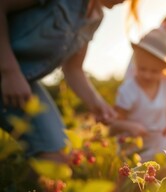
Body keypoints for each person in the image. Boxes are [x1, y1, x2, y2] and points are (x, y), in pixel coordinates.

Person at [0, 0, 140, 163]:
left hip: (23, 83)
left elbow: (73, 69)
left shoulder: (95, 18)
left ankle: (22, 187)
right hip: (9, 72)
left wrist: (97, 103)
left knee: (58, 157)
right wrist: (9, 72)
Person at [109, 28, 166, 161]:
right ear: (136, 63)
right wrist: (130, 127)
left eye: (154, 71)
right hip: (134, 147)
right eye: (142, 69)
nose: (147, 75)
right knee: (134, 174)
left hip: (161, 143)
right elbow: (114, 125)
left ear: (164, 69)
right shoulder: (128, 90)